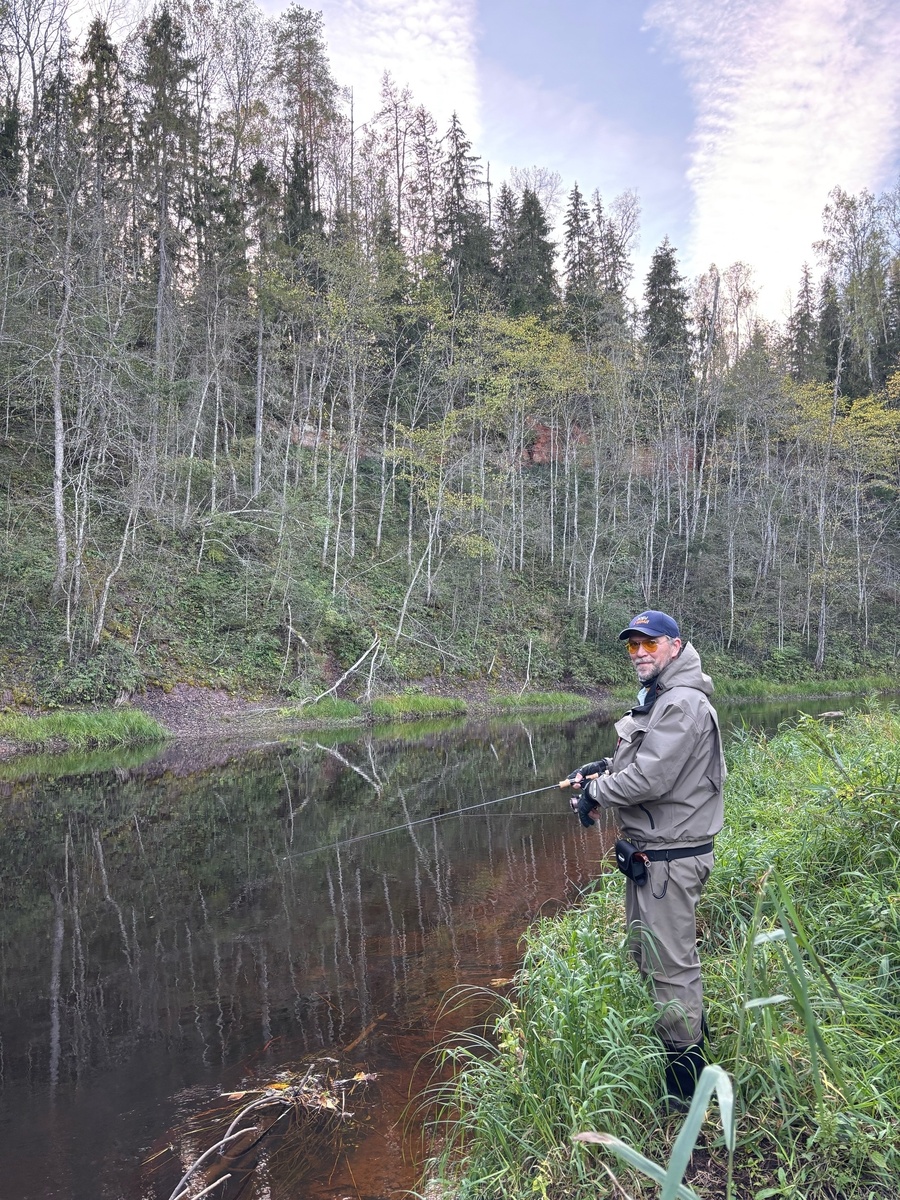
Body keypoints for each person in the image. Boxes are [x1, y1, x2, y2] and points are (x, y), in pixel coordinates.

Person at [563, 609, 725, 1111]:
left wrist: (595, 793)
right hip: (653, 858)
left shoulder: (682, 703)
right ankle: (695, 1055)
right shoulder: (661, 698)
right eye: (632, 644)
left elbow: (651, 779)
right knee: (654, 958)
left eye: (649, 643)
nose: (638, 652)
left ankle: (686, 1091)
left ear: (674, 645)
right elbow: (644, 760)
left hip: (669, 862)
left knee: (670, 969)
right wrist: (601, 768)